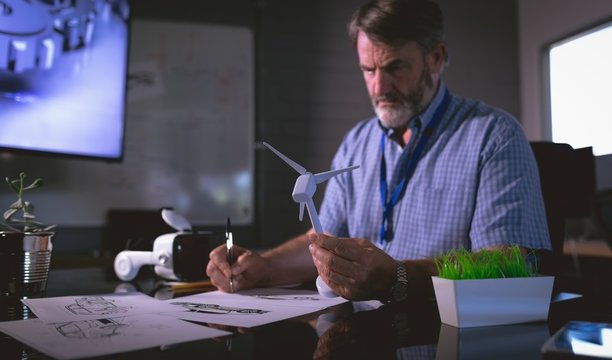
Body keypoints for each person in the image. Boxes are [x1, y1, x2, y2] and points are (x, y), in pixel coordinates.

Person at [207, 0, 551, 302]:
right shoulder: (356, 142)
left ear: (436, 58)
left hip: (446, 333)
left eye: (395, 67)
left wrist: (397, 277)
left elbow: (509, 262)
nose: (379, 87)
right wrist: (264, 266)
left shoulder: (494, 136)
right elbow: (324, 240)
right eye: (368, 70)